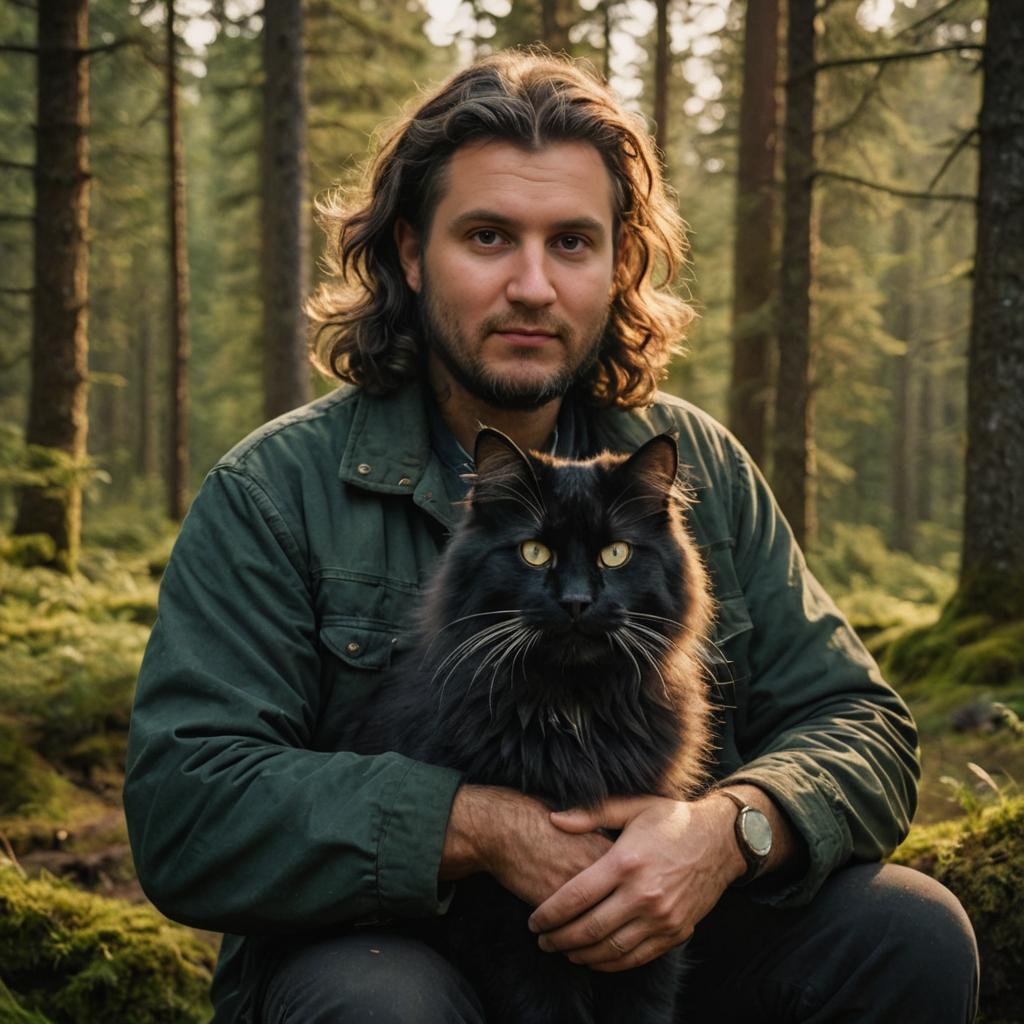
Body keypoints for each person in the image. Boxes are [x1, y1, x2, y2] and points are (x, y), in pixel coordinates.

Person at [124, 50, 979, 1024]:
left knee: (907, 931)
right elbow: (187, 807)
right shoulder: (277, 491)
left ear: (616, 262)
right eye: (488, 236)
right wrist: (467, 828)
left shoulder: (691, 462)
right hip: (402, 945)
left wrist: (728, 829)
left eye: (571, 243)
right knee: (382, 1005)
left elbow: (863, 727)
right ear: (410, 252)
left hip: (655, 946)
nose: (532, 285)